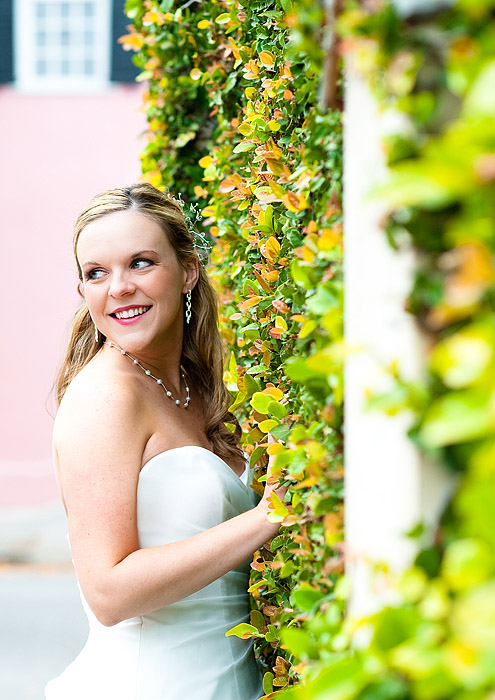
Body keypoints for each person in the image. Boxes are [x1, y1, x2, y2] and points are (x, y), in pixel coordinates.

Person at [45, 182, 286, 700]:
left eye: (141, 263)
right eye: (96, 273)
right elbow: (108, 592)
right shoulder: (105, 398)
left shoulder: (196, 386)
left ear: (188, 272)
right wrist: (268, 518)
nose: (119, 287)